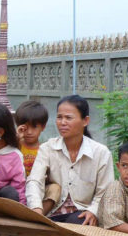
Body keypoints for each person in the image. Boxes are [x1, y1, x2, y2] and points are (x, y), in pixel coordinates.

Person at [26, 95, 114, 225]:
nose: (62, 122)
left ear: (85, 121)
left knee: (78, 222)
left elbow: (105, 191)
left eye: (68, 118)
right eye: (59, 117)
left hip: (82, 214)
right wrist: (36, 209)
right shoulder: (48, 148)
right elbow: (34, 181)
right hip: (50, 211)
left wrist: (93, 211)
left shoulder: (101, 153)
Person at [15, 100, 59, 214]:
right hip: (16, 187)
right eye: (25, 127)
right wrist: (16, 139)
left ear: (43, 127)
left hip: (37, 191)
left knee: (55, 188)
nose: (29, 132)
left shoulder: (45, 149)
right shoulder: (16, 145)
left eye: (34, 127)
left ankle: (38, 216)